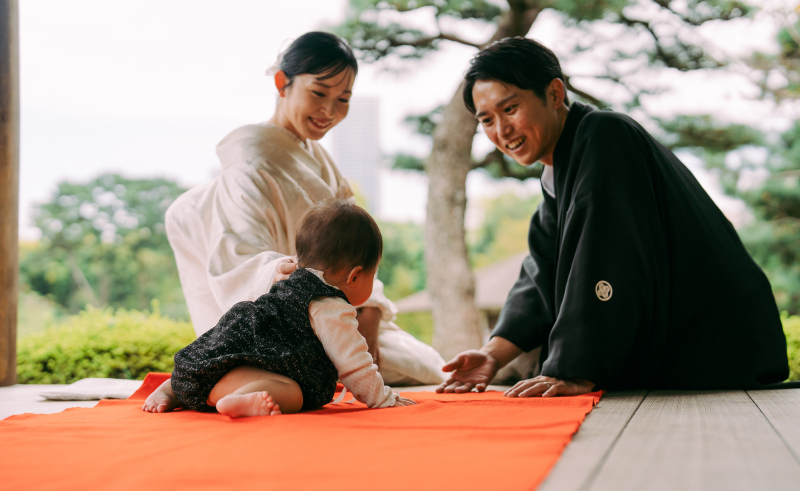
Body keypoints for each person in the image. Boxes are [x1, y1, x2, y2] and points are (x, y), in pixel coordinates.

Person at [438, 37, 788, 397]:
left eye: (510, 109)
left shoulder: (606, 135)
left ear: (555, 94)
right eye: (487, 120)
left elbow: (608, 255)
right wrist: (492, 354)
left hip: (720, 348)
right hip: (695, 348)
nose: (502, 130)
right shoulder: (560, 171)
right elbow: (540, 273)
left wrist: (575, 367)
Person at [157, 31, 446, 408]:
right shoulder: (252, 159)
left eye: (343, 99)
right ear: (282, 83)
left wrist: (369, 309)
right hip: (284, 318)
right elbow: (238, 258)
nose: (329, 110)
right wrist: (297, 274)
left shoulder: (320, 158)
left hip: (339, 304)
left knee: (430, 366)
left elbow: (352, 247)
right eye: (318, 93)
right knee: (397, 369)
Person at [143, 199, 415, 417]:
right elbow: (355, 363)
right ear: (355, 276)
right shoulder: (329, 305)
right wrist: (383, 399)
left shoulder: (288, 279)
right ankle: (237, 402)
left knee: (213, 355)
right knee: (292, 392)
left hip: (205, 372)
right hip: (234, 385)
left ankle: (171, 389)